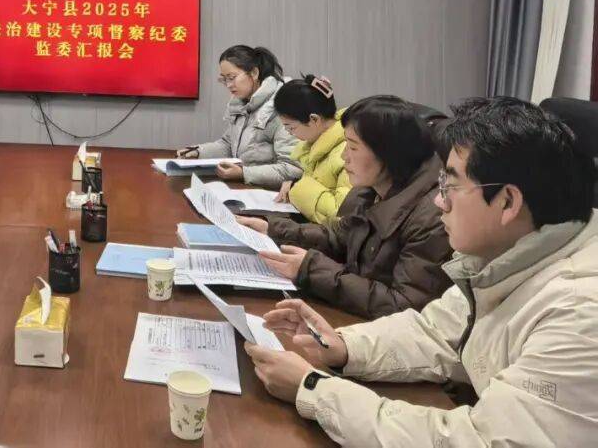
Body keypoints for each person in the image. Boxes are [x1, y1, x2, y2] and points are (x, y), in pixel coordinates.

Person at [244, 96, 598, 446]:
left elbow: (481, 441)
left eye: (450, 186)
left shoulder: (580, 312)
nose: (439, 201)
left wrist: (314, 391)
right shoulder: (505, 255)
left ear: (507, 202)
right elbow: (435, 331)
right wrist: (344, 346)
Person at [237, 95, 452, 318]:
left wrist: (311, 269)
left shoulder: (432, 217)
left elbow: (403, 306)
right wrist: (272, 229)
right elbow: (338, 237)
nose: (343, 156)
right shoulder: (372, 190)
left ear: (388, 152)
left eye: (353, 147)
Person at [178, 45, 301, 189]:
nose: (229, 85)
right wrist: (198, 152)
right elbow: (228, 145)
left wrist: (244, 173)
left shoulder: (281, 107)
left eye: (232, 78)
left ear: (254, 73)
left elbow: (292, 169)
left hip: (271, 194)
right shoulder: (242, 104)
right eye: (224, 79)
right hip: (246, 188)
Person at [273, 75, 351, 225]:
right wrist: (294, 183)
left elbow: (342, 217)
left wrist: (297, 190)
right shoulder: (317, 144)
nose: (290, 134)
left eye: (291, 128)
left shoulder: (347, 153)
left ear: (314, 119)